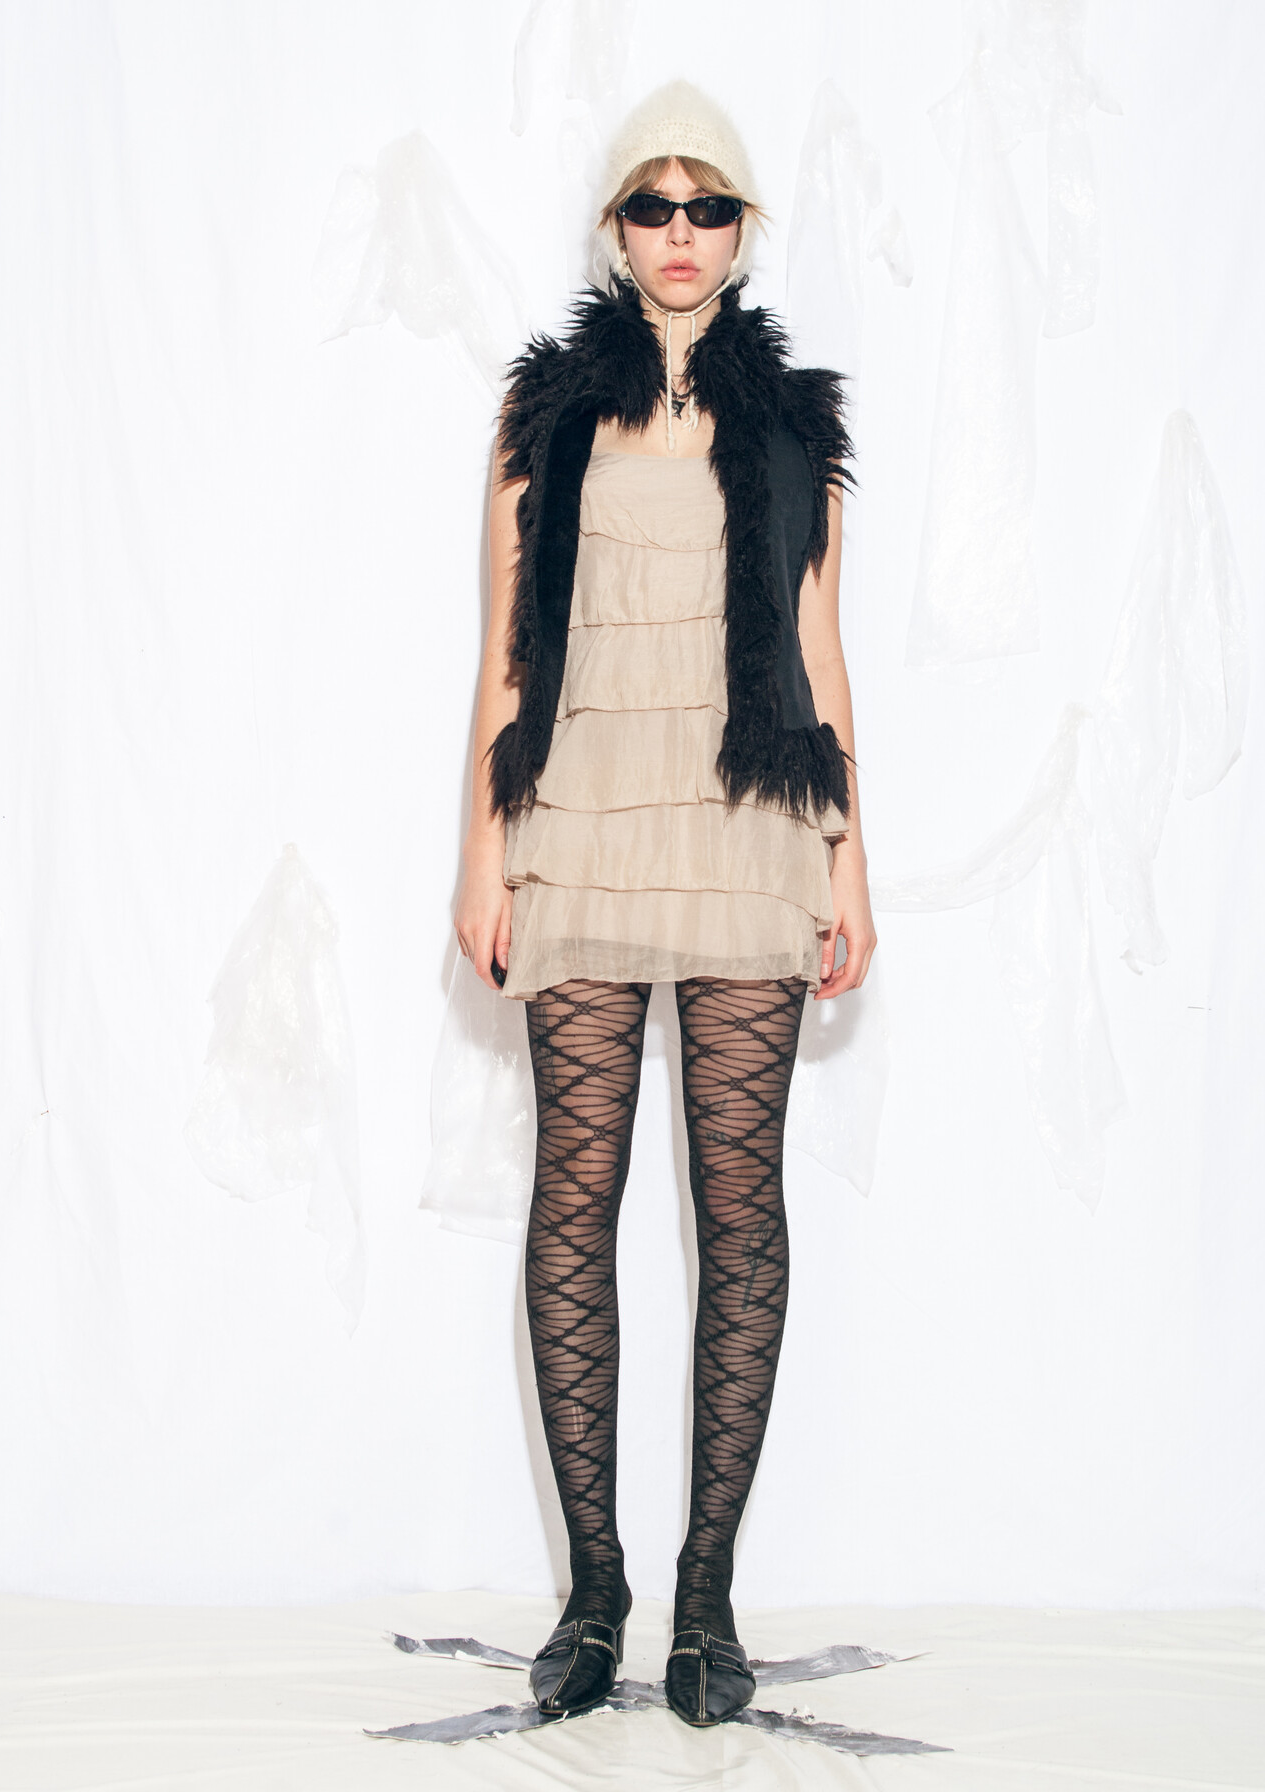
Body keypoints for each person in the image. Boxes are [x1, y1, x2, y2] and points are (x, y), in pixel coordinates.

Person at [452, 79, 876, 1729]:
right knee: (576, 1192)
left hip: (752, 816)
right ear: (614, 228)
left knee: (738, 1205)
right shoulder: (547, 408)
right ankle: (595, 1591)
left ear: (744, 229)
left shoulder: (794, 420)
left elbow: (822, 649)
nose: (680, 233)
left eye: (709, 206)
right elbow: (503, 647)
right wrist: (481, 854)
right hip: (582, 810)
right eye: (653, 203)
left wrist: (852, 860)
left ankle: (707, 1598)